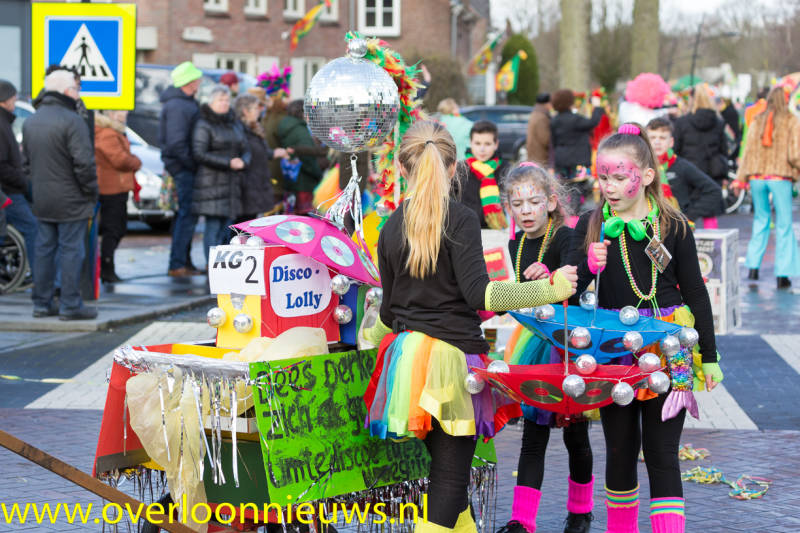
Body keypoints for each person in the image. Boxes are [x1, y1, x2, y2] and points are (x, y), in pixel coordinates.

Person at [362, 120, 578, 533]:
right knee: (448, 480)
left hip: (406, 362)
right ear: (454, 165)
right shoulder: (459, 219)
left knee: (450, 482)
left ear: (403, 169)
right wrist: (548, 289)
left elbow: (387, 312)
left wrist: (365, 343)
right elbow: (483, 296)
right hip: (451, 363)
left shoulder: (389, 227)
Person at [569, 123, 723, 533]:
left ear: (647, 175)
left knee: (661, 453)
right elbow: (567, 296)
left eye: (620, 177)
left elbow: (695, 292)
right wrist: (588, 266)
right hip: (612, 347)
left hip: (670, 347)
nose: (610, 186)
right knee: (620, 451)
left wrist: (709, 356)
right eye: (604, 177)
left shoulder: (673, 226)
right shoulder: (591, 225)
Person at [500, 162, 594, 533]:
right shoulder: (515, 242)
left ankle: (581, 511)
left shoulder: (566, 236)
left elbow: (576, 278)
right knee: (533, 434)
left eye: (533, 202)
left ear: (551, 202)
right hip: (535, 342)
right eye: (516, 203)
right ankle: (522, 520)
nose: (525, 210)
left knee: (576, 433)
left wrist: (552, 274)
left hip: (569, 343)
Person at [23, 69, 98, 320]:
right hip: (72, 198)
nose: (78, 94)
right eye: (76, 89)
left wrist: (34, 190)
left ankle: (41, 304)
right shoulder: (72, 120)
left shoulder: (32, 120)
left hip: (43, 198)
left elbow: (26, 164)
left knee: (44, 250)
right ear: (67, 91)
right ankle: (70, 305)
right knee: (70, 250)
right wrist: (91, 192)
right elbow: (84, 164)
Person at [737, 87, 800, 289]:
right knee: (784, 224)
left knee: (760, 220)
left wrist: (741, 178)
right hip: (779, 176)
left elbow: (747, 151)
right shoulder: (791, 121)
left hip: (756, 177)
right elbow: (794, 154)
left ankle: (753, 267)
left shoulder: (757, 120)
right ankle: (783, 274)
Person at [192, 85, 250, 261]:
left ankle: (224, 265)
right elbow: (199, 152)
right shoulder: (204, 123)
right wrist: (228, 163)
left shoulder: (233, 122)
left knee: (227, 227)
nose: (224, 103)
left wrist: (244, 161)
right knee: (213, 227)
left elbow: (246, 147)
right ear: (211, 102)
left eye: (226, 100)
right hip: (212, 183)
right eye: (220, 100)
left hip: (233, 183)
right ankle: (212, 265)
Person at [160, 61, 203, 277]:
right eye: (197, 78)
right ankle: (177, 264)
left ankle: (182, 262)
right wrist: (193, 164)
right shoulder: (180, 105)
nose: (200, 81)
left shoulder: (180, 103)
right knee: (187, 216)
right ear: (190, 82)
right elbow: (177, 143)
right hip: (184, 169)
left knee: (185, 216)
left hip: (181, 167)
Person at [646, 117, 722, 224]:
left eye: (662, 138)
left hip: (678, 227)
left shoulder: (681, 166)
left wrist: (690, 215)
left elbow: (714, 190)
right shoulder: (643, 167)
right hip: (649, 226)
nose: (657, 142)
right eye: (652, 138)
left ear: (671, 142)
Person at [94, 110, 142, 282]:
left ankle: (107, 267)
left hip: (115, 186)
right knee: (114, 229)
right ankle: (107, 268)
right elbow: (120, 160)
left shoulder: (112, 131)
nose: (126, 112)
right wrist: (136, 161)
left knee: (115, 228)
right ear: (111, 113)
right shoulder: (108, 133)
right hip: (111, 188)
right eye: (121, 109)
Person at [0, 79, 38, 273]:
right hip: (8, 192)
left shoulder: (5, 122)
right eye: (13, 98)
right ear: (5, 100)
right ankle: (39, 275)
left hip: (9, 189)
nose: (15, 103)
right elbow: (2, 165)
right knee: (33, 228)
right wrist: (21, 179)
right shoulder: (2, 124)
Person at [232, 93, 288, 223]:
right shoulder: (239, 130)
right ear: (245, 111)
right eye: (257, 107)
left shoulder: (253, 127)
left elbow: (258, 151)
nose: (260, 110)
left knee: (249, 220)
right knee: (242, 223)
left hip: (255, 181)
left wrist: (274, 153)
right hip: (246, 183)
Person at [550, 89, 605, 213]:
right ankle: (573, 215)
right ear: (570, 102)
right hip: (577, 159)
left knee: (565, 188)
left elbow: (552, 142)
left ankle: (565, 213)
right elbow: (593, 122)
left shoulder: (554, 121)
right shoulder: (575, 119)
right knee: (577, 188)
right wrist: (596, 106)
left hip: (561, 160)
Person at [453, 120, 509, 230]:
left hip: (496, 230)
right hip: (465, 229)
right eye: (477, 143)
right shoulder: (460, 169)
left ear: (496, 144)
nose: (482, 149)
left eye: (487, 144)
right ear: (470, 142)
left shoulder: (505, 169)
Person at [673, 85, 728, 185]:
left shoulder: (682, 122)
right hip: (713, 173)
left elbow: (676, 149)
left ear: (691, 99)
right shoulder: (718, 122)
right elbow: (723, 150)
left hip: (688, 172)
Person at [277, 100, 325, 215]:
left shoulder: (286, 125)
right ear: (302, 112)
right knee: (305, 218)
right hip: (305, 182)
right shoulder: (300, 130)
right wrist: (319, 175)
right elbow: (308, 159)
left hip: (291, 178)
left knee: (293, 216)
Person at [525, 93, 552, 167]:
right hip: (540, 157)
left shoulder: (536, 113)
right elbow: (545, 139)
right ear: (547, 103)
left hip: (533, 155)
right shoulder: (542, 117)